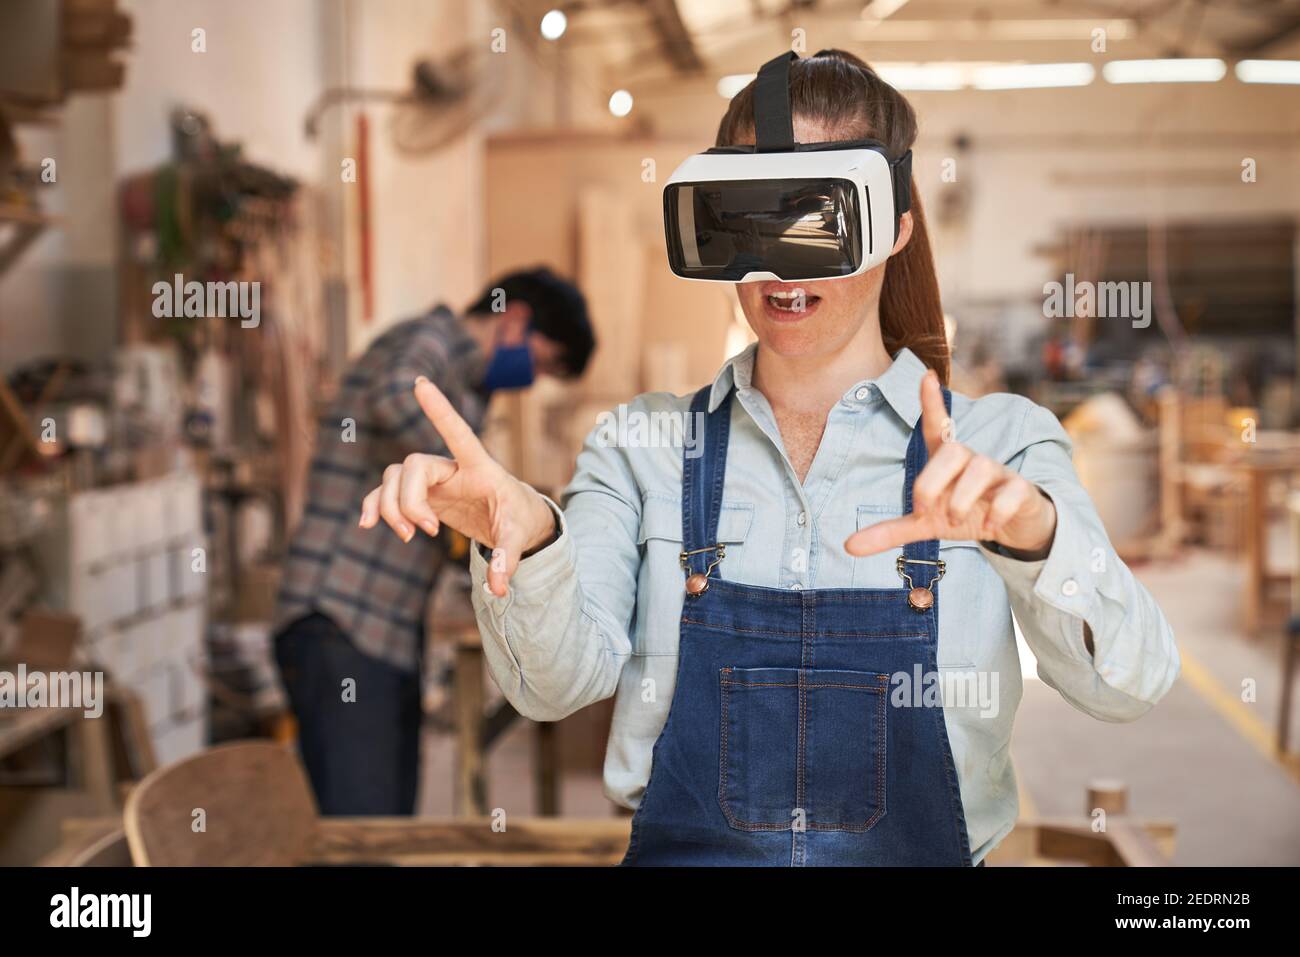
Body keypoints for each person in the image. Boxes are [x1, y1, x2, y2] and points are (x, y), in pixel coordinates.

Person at [359, 50, 1180, 864]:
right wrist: (529, 540)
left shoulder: (1001, 444)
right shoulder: (641, 448)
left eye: (817, 219)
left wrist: (1037, 539)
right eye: (748, 217)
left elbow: (1129, 685)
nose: (780, 261)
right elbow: (553, 687)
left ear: (896, 225)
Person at [275, 267, 594, 815]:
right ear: (514, 319)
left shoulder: (467, 386)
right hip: (341, 618)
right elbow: (394, 395)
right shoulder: (430, 340)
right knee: (363, 832)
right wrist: (483, 483)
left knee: (390, 821)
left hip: (385, 631)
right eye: (541, 363)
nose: (532, 379)